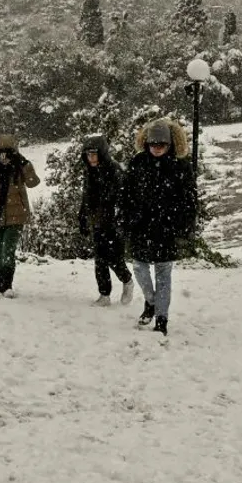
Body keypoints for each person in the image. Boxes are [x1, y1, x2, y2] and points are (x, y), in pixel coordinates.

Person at [121, 118, 197, 336]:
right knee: (139, 269)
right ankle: (151, 302)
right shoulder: (137, 163)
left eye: (161, 145)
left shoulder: (181, 166)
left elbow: (189, 200)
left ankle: (161, 318)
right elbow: (126, 195)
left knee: (164, 275)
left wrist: (182, 224)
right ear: (146, 143)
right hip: (140, 227)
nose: (156, 149)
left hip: (167, 228)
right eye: (153, 145)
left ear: (170, 144)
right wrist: (127, 219)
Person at [0, 134, 40, 298]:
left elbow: (33, 182)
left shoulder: (19, 165)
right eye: (1, 153)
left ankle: (7, 284)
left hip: (16, 216)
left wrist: (23, 163)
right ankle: (0, 283)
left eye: (8, 152)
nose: (4, 157)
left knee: (7, 250)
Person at [77, 134, 134, 307]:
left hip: (114, 222)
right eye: (88, 154)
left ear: (101, 153)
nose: (91, 158)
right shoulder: (89, 172)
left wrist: (119, 219)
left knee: (114, 258)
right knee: (100, 258)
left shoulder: (114, 170)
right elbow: (86, 197)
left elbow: (122, 197)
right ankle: (104, 295)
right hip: (97, 221)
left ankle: (128, 281)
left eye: (94, 154)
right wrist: (82, 217)